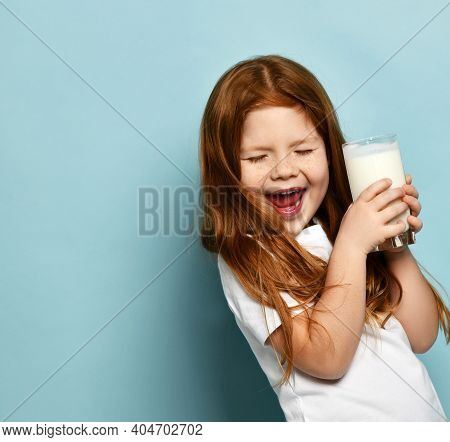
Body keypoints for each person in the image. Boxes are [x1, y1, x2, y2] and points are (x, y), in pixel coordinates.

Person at [198, 54, 449, 422]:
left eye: (303, 150)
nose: (284, 170)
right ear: (226, 171)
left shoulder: (339, 231)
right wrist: (353, 244)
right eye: (257, 158)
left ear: (330, 153)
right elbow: (327, 358)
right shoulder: (248, 255)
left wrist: (391, 238)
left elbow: (423, 334)